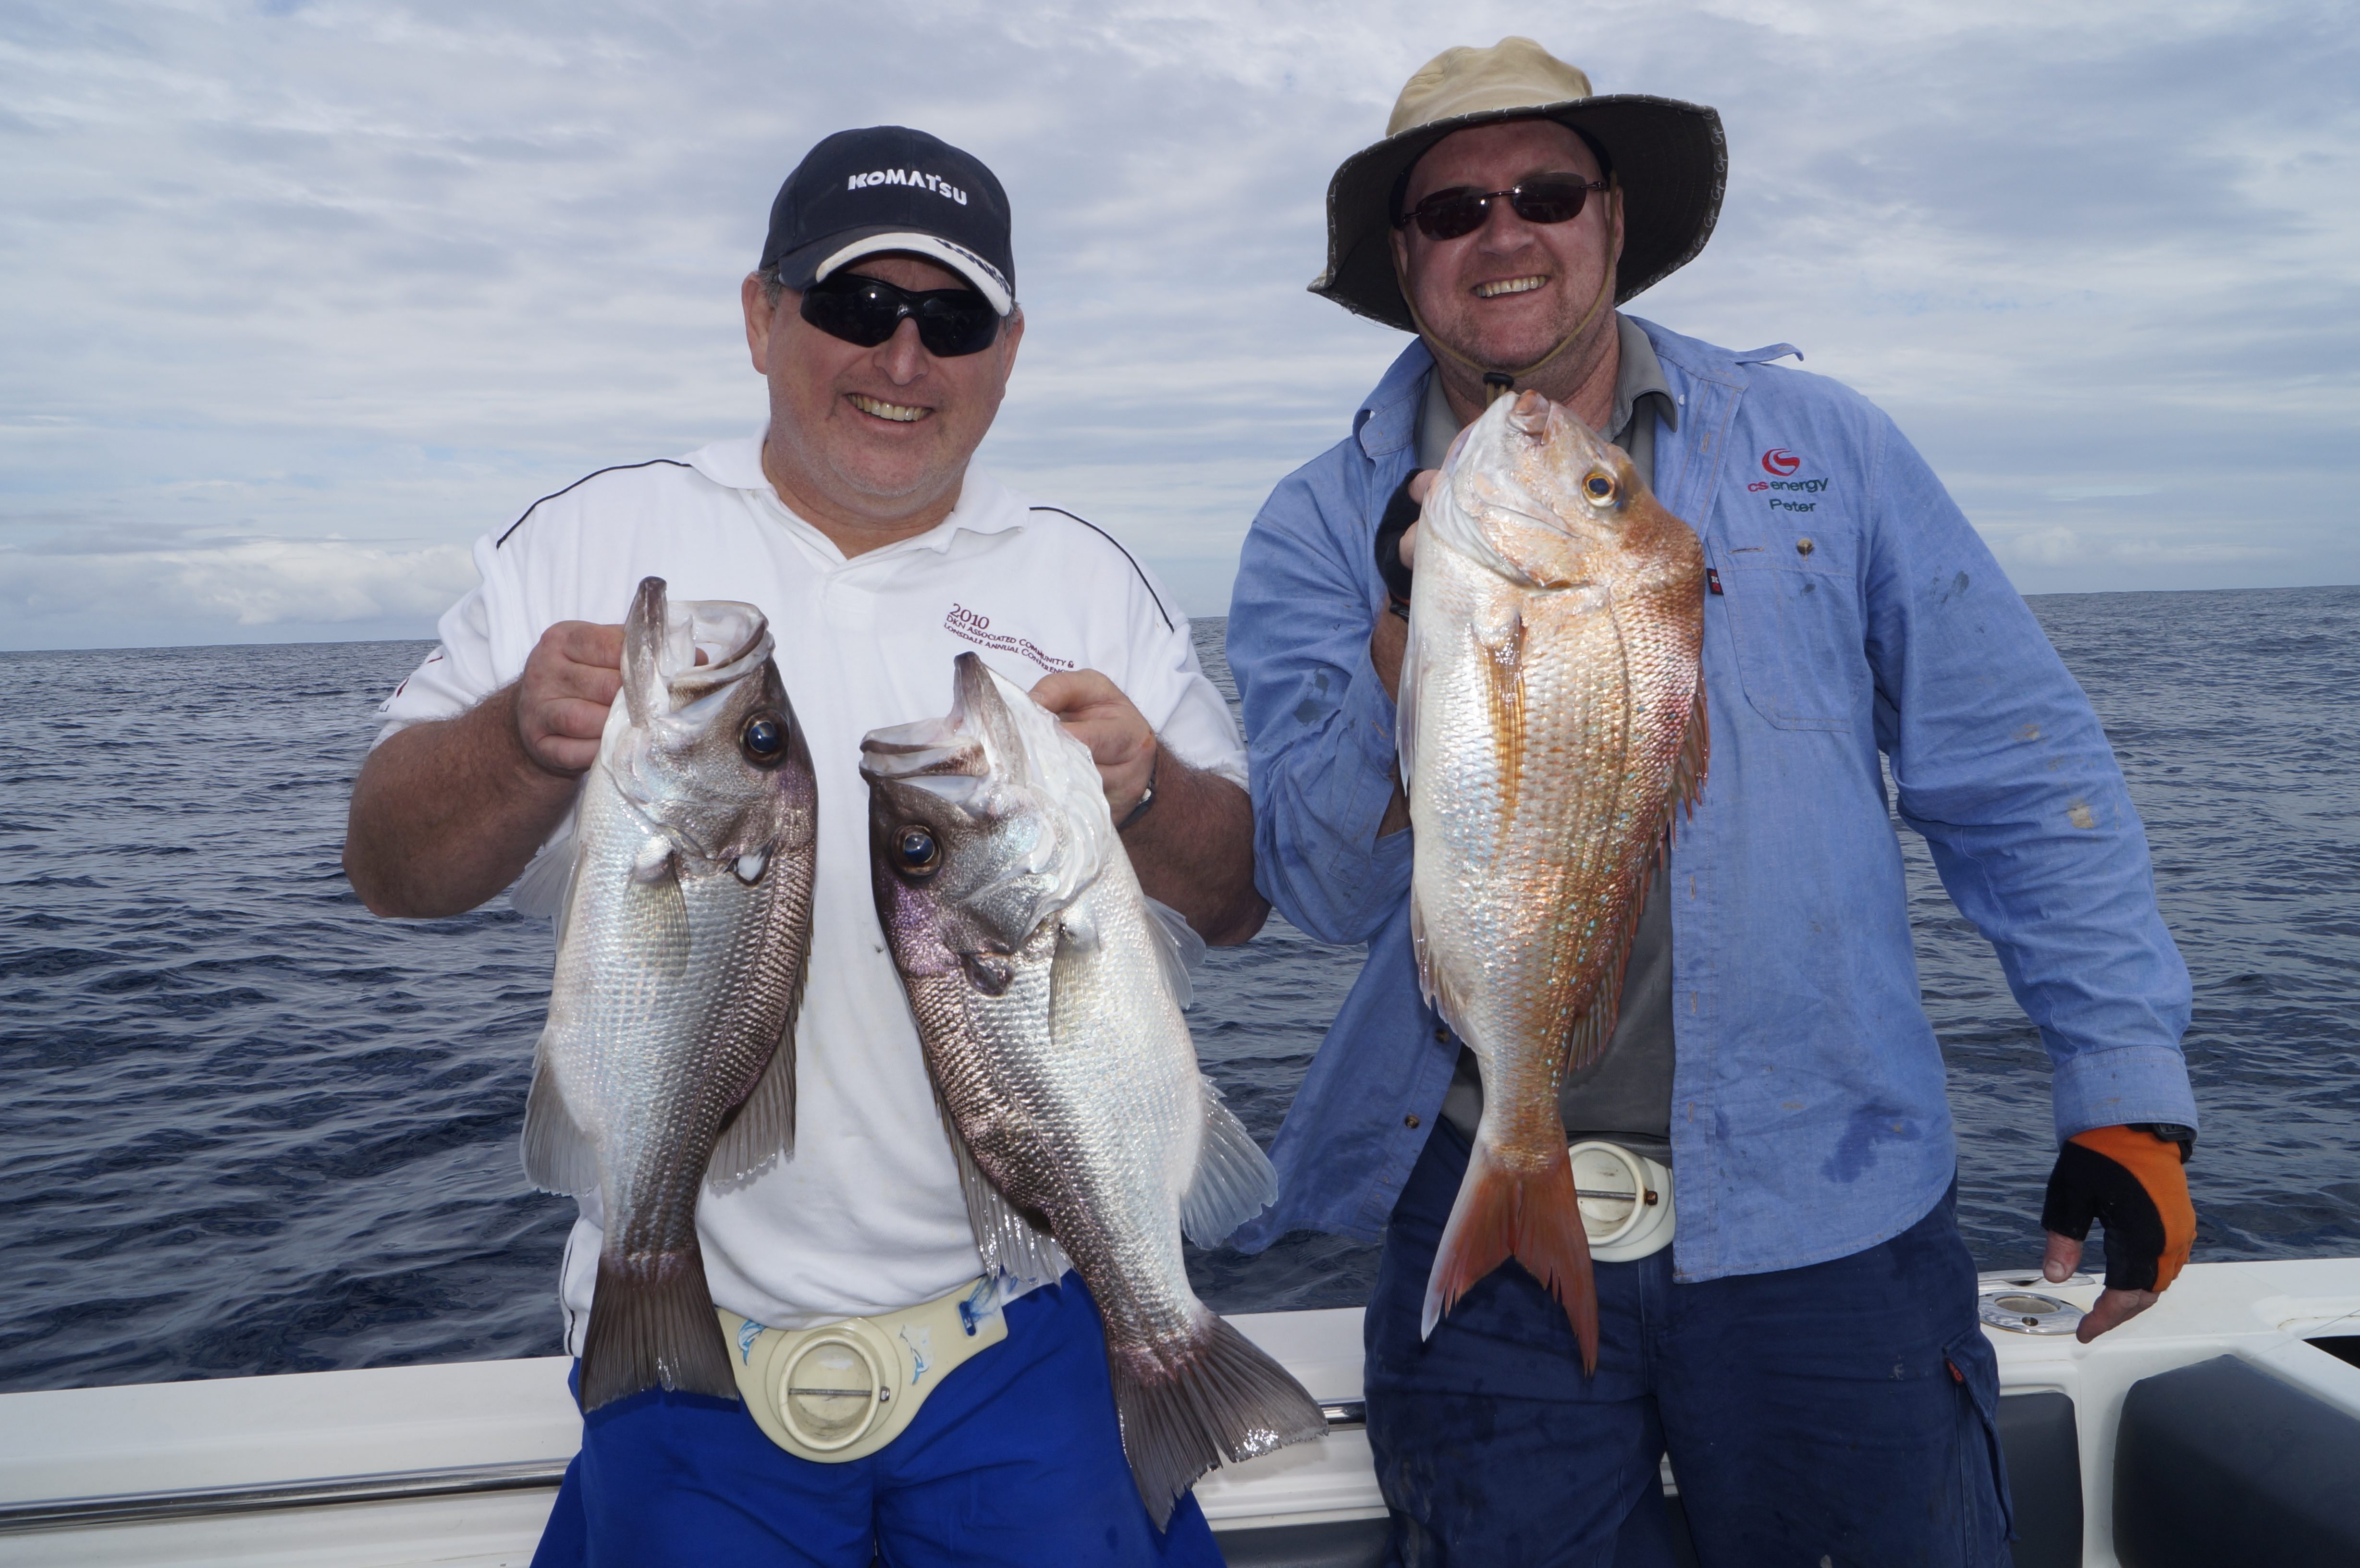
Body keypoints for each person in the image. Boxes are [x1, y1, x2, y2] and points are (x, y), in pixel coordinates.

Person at [1226, 37, 2199, 1567]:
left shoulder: (1832, 453)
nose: (1504, 232)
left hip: (1830, 1220)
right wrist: (1404, 638)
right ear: (1405, 258)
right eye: (1453, 206)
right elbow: (1332, 890)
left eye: (1546, 191)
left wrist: (2124, 1088)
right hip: (1480, 1208)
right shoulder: (1311, 526)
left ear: (1615, 221)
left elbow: (2020, 769)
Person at [344, 124, 1263, 1568]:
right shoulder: (595, 537)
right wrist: (519, 741)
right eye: (854, 306)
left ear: (1009, 350)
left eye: (950, 320)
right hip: (698, 1335)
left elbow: (1242, 898)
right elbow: (391, 870)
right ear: (763, 315)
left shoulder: (1088, 579)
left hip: (1029, 1327)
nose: (902, 358)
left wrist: (1149, 797)